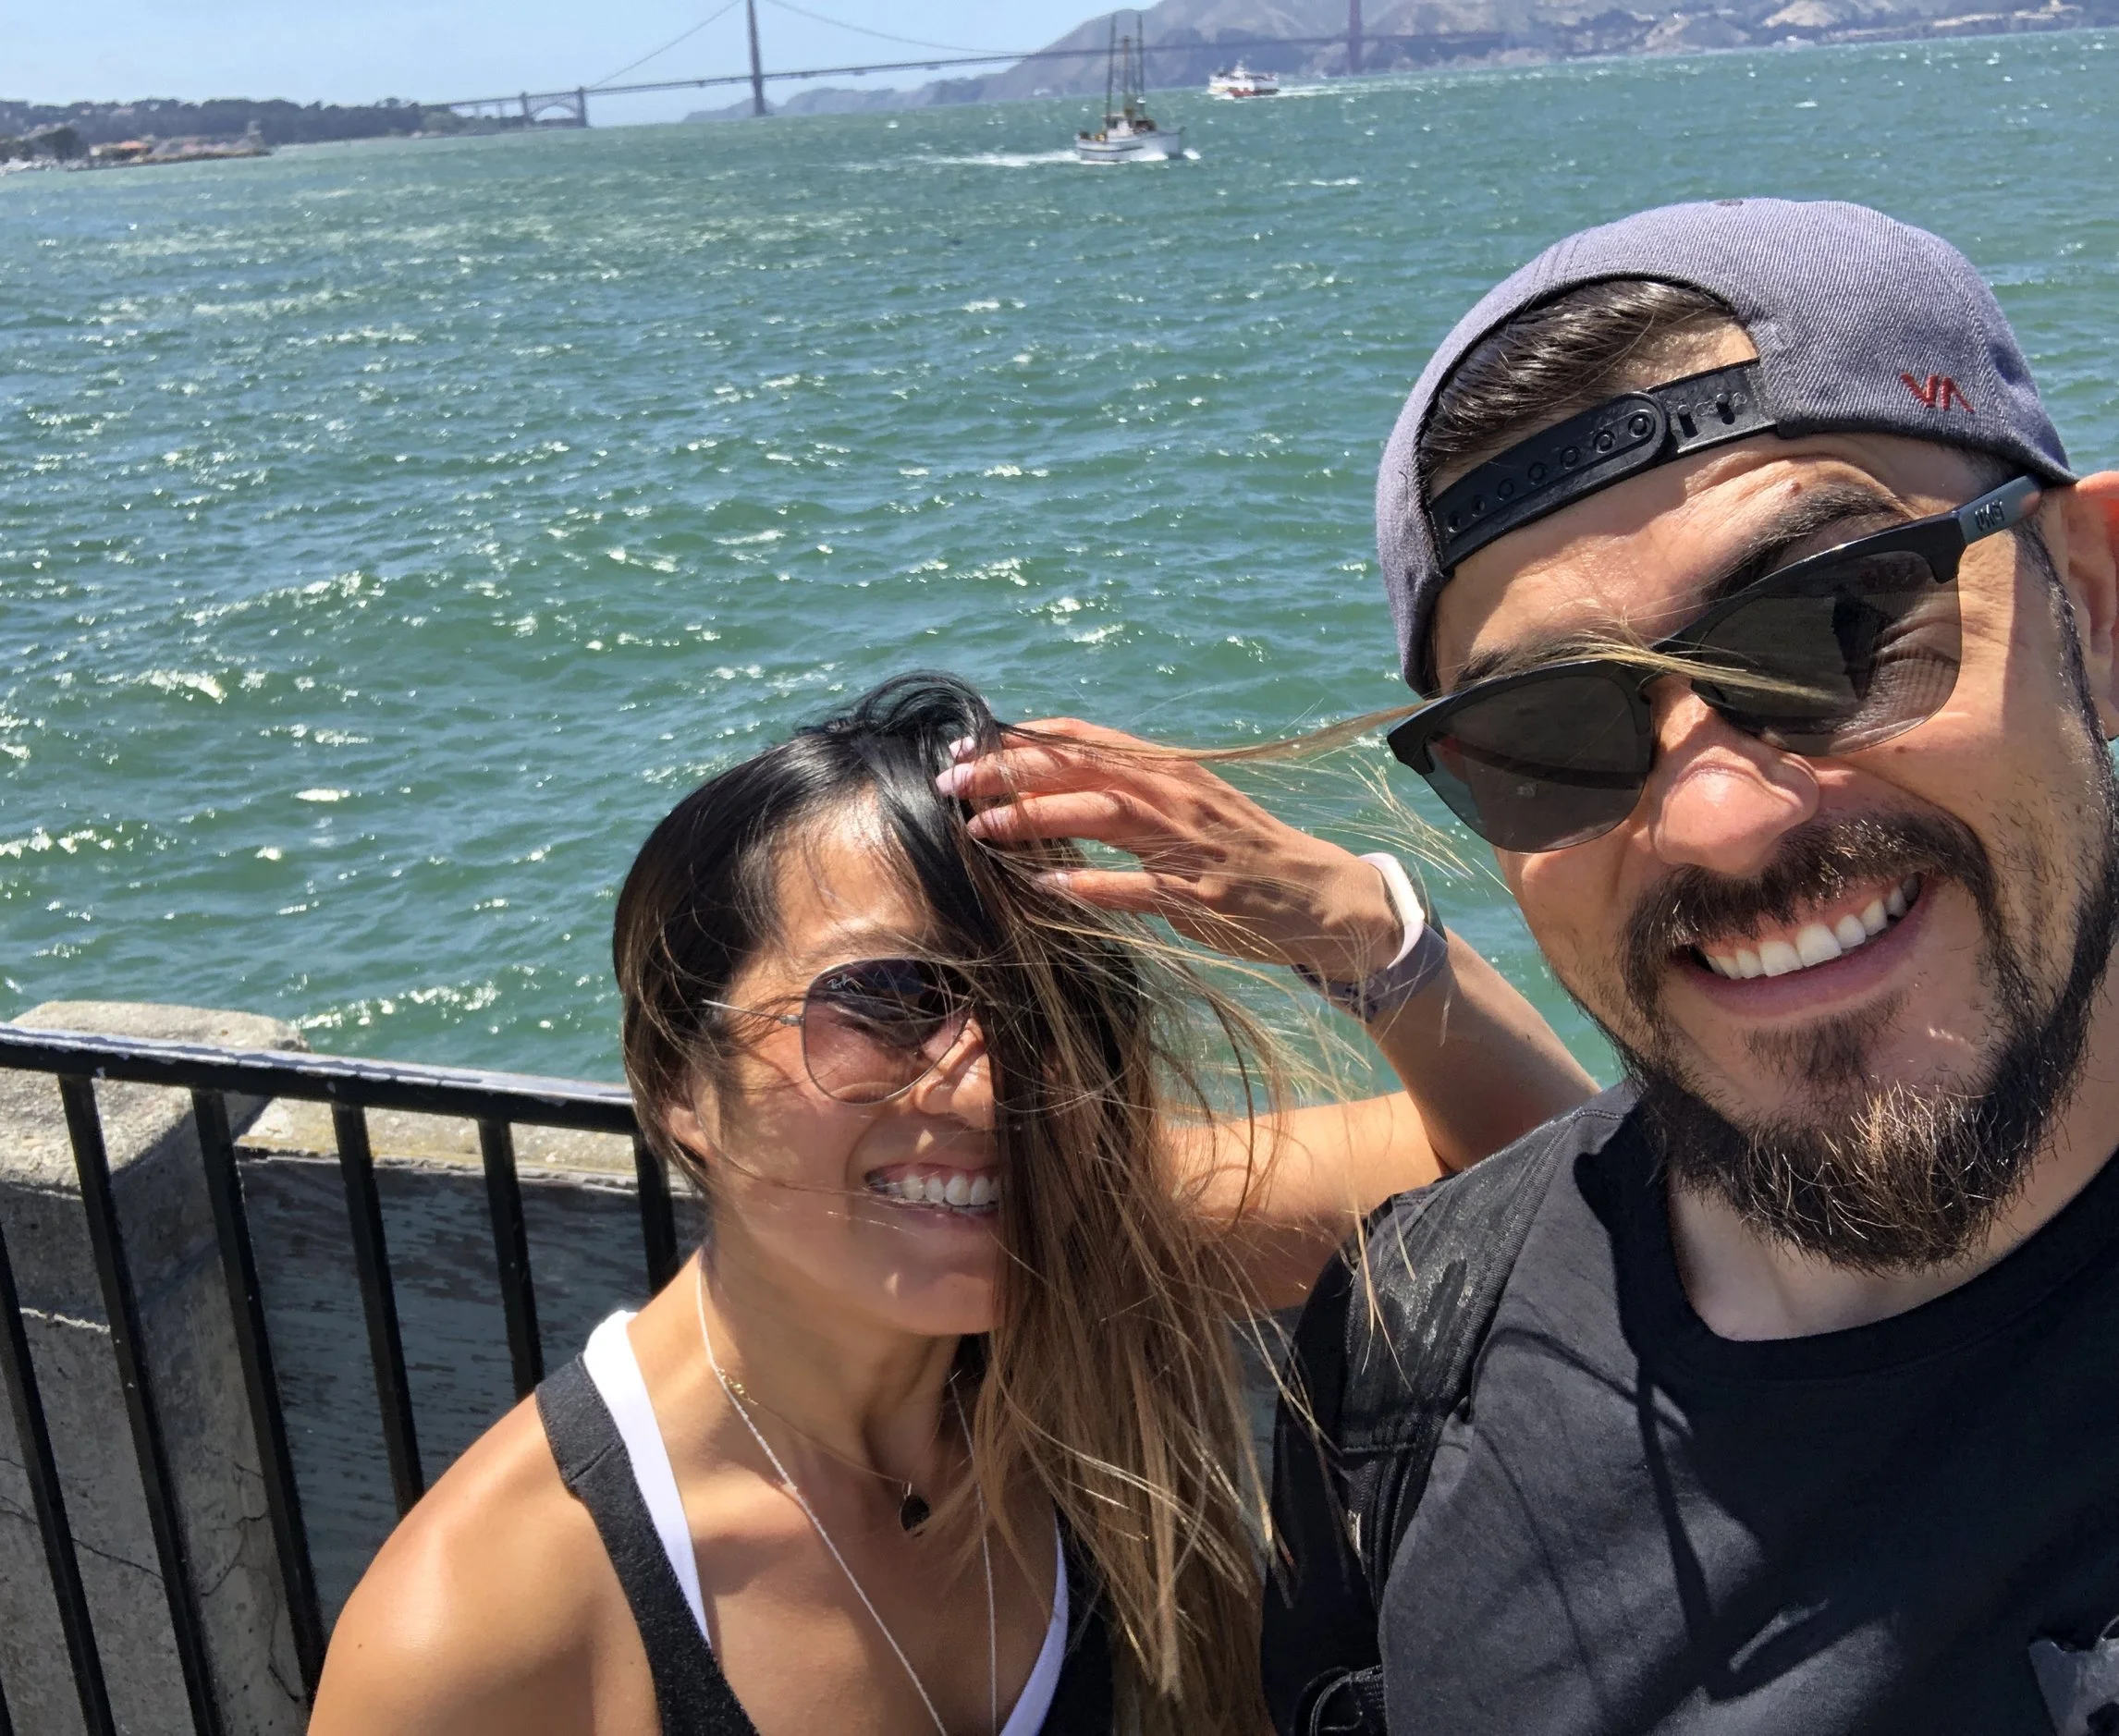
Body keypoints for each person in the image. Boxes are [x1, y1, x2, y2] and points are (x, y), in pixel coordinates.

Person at [948, 198, 2119, 1734]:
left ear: (2094, 603)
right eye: (1552, 733)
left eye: (1834, 626)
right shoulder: (1406, 1356)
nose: (1718, 818)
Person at [310, 672, 1592, 1736]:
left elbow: (1547, 1173)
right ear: (677, 1084)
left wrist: (1365, 934)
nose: (988, 1087)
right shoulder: (484, 1630)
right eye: (884, 998)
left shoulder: (1083, 1250)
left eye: (1047, 1008)